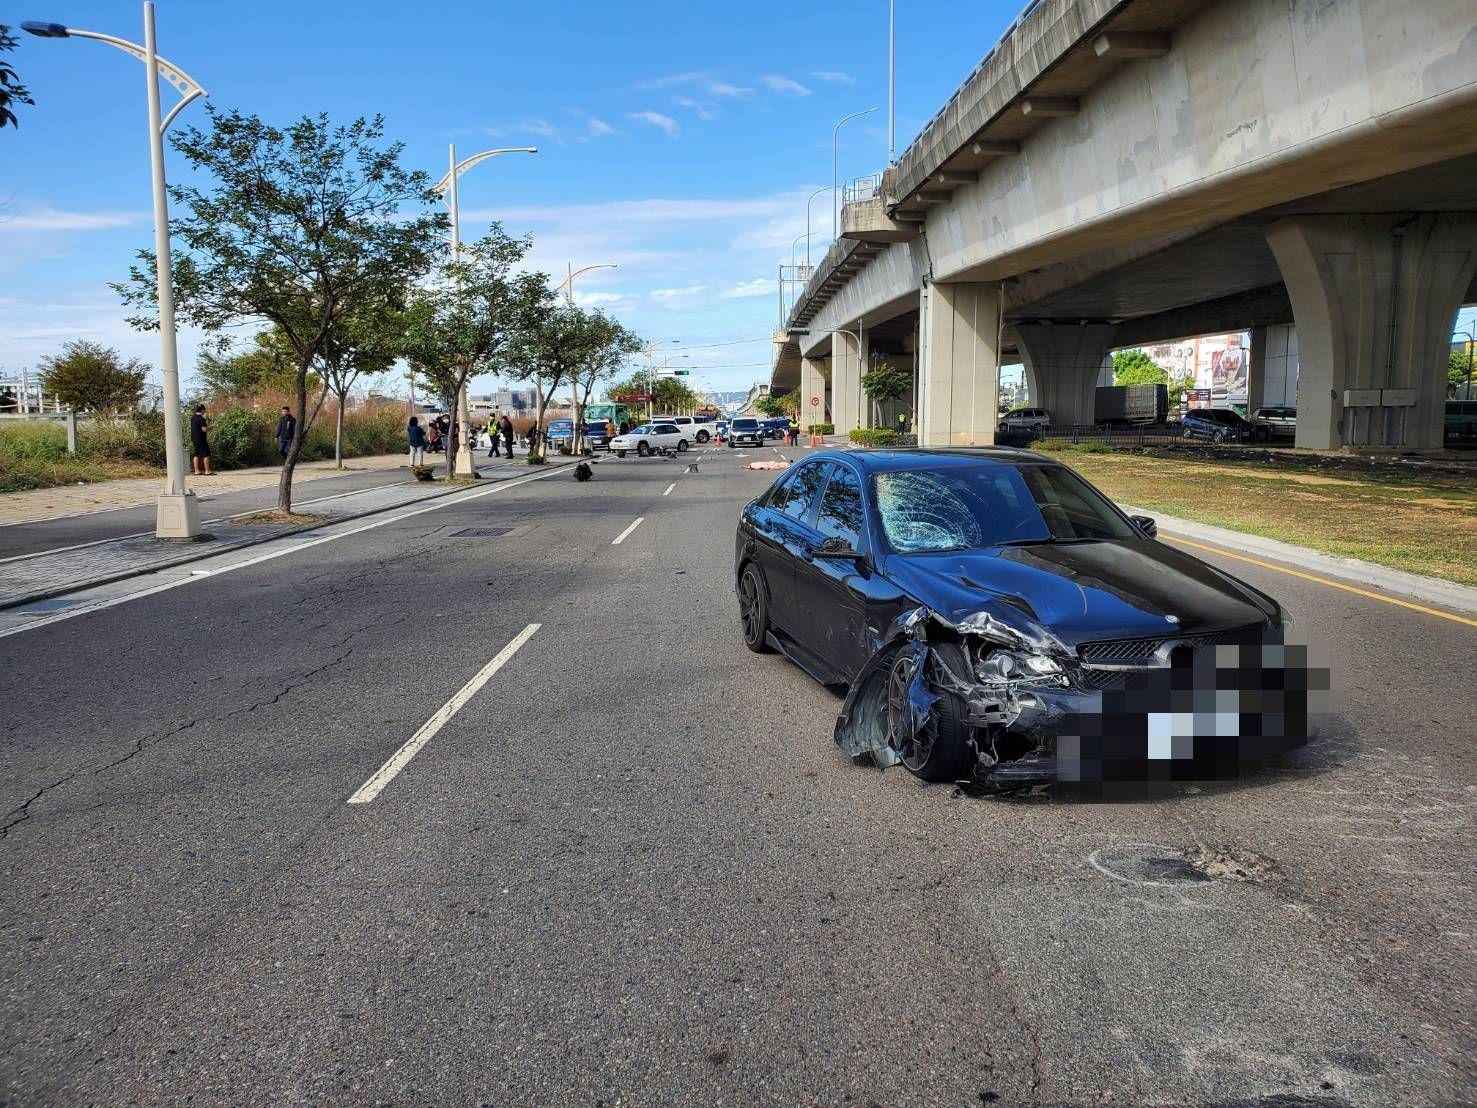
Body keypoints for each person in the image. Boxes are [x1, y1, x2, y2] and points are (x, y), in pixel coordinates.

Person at [189, 404, 212, 475]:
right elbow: (204, 429)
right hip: (201, 439)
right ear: (202, 410)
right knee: (206, 454)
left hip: (194, 439)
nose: (204, 412)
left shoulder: (192, 418)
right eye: (204, 410)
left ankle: (197, 471)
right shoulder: (201, 419)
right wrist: (211, 428)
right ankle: (207, 471)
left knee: (196, 454)